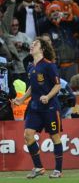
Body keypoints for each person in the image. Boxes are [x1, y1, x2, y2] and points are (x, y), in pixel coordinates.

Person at [13, 37, 63, 178]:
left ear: (42, 49)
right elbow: (32, 87)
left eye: (35, 44)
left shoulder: (49, 65)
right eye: (32, 43)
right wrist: (22, 99)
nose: (31, 45)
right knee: (28, 135)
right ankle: (39, 167)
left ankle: (58, 170)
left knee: (55, 137)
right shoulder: (31, 66)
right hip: (35, 108)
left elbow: (57, 85)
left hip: (50, 108)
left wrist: (48, 96)